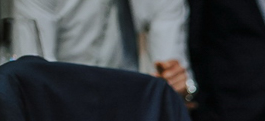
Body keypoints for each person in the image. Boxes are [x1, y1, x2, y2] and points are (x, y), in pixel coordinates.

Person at [12, 0, 192, 96]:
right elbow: (33, 75)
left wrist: (177, 83)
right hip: (59, 109)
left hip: (128, 112)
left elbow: (171, 75)